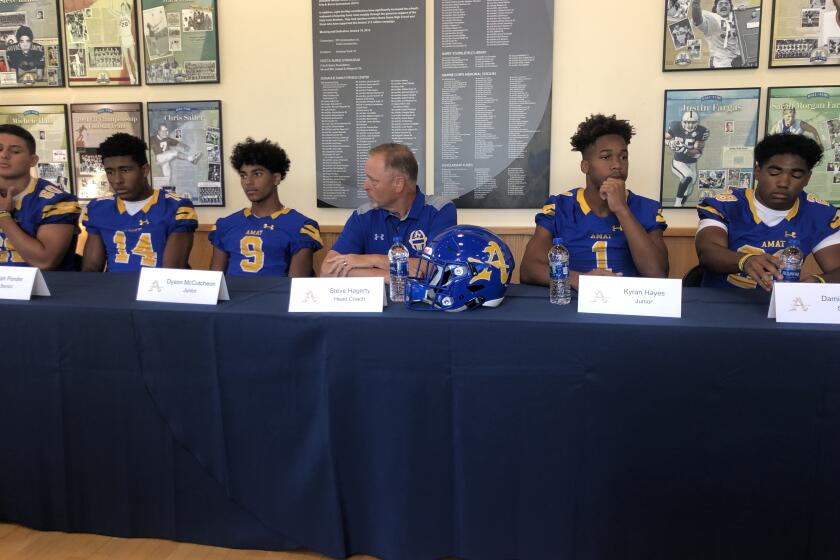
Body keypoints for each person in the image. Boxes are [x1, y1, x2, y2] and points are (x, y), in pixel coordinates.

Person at [519, 114, 669, 288]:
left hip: (629, 305)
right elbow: (529, 269)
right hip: (573, 304)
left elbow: (658, 274)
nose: (617, 165)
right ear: (585, 167)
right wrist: (580, 280)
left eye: (623, 157)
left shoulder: (646, 208)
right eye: (606, 157)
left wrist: (622, 209)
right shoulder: (561, 207)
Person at [696, 134, 840, 290]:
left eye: (796, 175)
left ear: (807, 178)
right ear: (758, 171)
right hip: (720, 304)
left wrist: (819, 281)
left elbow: (836, 269)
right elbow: (708, 252)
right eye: (774, 173)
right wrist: (745, 261)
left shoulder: (819, 214)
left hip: (781, 307)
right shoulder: (726, 205)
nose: (784, 183)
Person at [321, 143, 456, 280]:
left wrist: (373, 260)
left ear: (398, 184)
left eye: (373, 180)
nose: (365, 186)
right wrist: (392, 276)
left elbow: (434, 269)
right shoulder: (363, 215)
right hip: (375, 301)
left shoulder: (439, 209)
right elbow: (327, 270)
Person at [81, 133, 197, 272]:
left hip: (156, 290)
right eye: (110, 172)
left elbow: (171, 272)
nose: (117, 180)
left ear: (144, 170)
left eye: (125, 170)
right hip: (111, 290)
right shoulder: (98, 209)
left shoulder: (175, 207)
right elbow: (91, 268)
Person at [209, 138, 322, 277]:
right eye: (243, 175)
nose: (248, 182)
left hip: (276, 298)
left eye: (257, 174)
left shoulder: (299, 227)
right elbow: (214, 285)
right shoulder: (226, 225)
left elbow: (296, 290)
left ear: (276, 178)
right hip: (233, 299)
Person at [0, 124, 80, 269]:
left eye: (15, 151)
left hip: (40, 290)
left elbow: (44, 261)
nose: (4, 155)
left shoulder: (57, 200)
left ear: (33, 160)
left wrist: (4, 216)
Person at [665, 110, 709, 207]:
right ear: (682, 121)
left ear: (697, 122)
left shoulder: (702, 131)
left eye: (693, 122)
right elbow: (664, 138)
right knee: (687, 175)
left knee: (689, 188)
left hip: (692, 163)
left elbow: (697, 153)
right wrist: (669, 143)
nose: (689, 125)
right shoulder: (675, 126)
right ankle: (677, 204)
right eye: (687, 122)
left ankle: (681, 203)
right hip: (678, 162)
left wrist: (684, 150)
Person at [690, 0, 743, 67]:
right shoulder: (713, 21)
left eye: (726, 4)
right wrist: (696, 4)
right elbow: (698, 20)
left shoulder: (736, 17)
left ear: (730, 7)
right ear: (716, 8)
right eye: (720, 4)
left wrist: (744, 11)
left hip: (738, 60)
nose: (723, 6)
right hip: (721, 62)